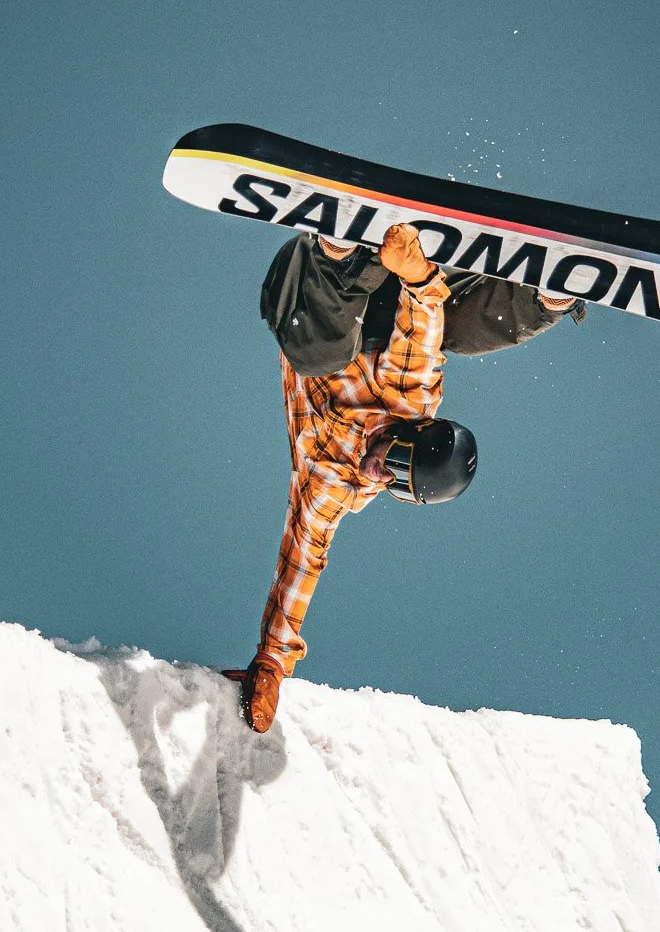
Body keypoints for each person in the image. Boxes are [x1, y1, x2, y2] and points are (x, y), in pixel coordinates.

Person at [235, 221, 585, 732]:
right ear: (410, 436)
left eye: (395, 486)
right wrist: (417, 276)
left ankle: (340, 252)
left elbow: (301, 562)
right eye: (397, 466)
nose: (381, 476)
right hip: (399, 276)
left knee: (320, 355)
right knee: (451, 328)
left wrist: (272, 660)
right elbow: (421, 333)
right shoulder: (409, 400)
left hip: (308, 288)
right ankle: (544, 299)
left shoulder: (335, 483)